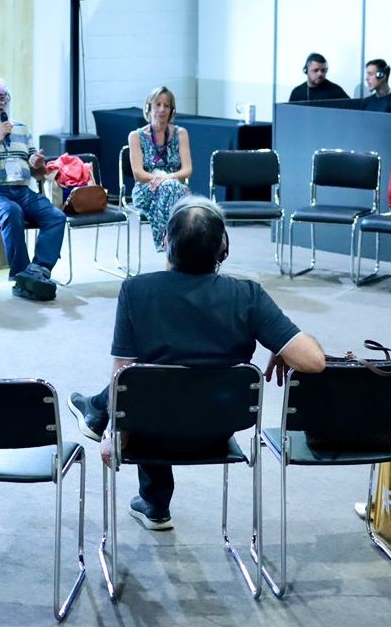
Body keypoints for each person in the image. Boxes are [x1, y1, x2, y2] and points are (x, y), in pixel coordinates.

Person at [65, 196, 325, 529]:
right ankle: (100, 414)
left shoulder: (135, 290)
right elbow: (314, 362)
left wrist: (114, 429)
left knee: (147, 384)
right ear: (223, 249)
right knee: (156, 384)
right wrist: (282, 346)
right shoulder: (248, 295)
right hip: (214, 430)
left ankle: (150, 496)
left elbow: (123, 382)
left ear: (165, 242)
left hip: (151, 431)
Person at [0, 76, 66, 301]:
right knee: (11, 212)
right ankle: (21, 275)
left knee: (56, 216)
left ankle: (37, 270)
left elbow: (38, 173)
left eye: (3, 97)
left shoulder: (21, 128)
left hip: (22, 190)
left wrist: (38, 164)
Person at [127, 85, 193, 251]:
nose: (162, 109)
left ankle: (171, 248)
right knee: (175, 192)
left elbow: (187, 170)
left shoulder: (181, 134)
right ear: (149, 107)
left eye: (167, 105)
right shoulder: (136, 136)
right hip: (146, 190)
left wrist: (165, 179)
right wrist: (165, 181)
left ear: (172, 110)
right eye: (158, 104)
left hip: (174, 188)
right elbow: (138, 174)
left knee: (172, 189)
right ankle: (174, 249)